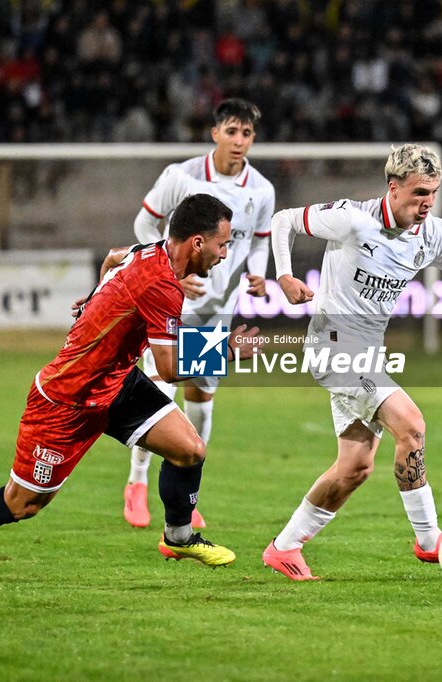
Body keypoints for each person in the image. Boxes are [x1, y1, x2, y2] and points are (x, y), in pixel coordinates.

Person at [0, 194, 261, 593]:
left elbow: (113, 257)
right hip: (66, 400)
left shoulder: (151, 251)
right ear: (197, 242)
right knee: (21, 504)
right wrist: (226, 350)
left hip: (117, 383)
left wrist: (95, 300)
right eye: (222, 244)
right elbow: (167, 367)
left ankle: (178, 537)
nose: (224, 253)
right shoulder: (161, 284)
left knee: (190, 449)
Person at [262, 144, 442, 581]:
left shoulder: (434, 233)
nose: (427, 202)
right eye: (420, 192)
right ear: (393, 187)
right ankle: (431, 544)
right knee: (412, 424)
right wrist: (284, 275)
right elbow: (283, 220)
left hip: (368, 353)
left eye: (434, 192)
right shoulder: (353, 218)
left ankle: (284, 547)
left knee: (355, 468)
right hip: (333, 347)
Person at [123, 98, 275, 529]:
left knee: (201, 402)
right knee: (159, 394)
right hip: (172, 304)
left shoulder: (261, 190)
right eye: (232, 131)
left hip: (217, 311)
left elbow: (259, 241)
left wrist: (258, 275)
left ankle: (187, 495)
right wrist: (168, 274)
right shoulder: (180, 176)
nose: (239, 141)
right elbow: (143, 225)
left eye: (246, 133)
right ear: (215, 134)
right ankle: (136, 483)